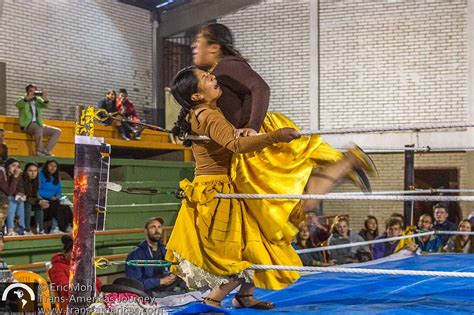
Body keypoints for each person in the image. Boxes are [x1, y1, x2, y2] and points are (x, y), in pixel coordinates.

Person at [191, 23, 377, 248]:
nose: (193, 46)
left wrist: (254, 126)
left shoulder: (226, 66)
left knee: (289, 206)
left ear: (214, 47)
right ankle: (346, 164)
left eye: (198, 41)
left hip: (260, 139)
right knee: (294, 206)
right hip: (252, 141)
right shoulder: (216, 73)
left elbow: (261, 88)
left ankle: (347, 162)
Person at [165, 66, 303, 309]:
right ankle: (213, 299)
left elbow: (229, 137)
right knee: (242, 253)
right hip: (220, 193)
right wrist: (276, 136)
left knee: (260, 242)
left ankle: (244, 296)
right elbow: (236, 144)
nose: (213, 77)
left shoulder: (200, 112)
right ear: (196, 95)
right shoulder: (208, 115)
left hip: (217, 188)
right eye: (206, 78)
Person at [125, 217, 187, 297]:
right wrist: (160, 281)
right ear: (146, 230)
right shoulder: (136, 254)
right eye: (153, 227)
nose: (157, 230)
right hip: (150, 294)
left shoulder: (165, 249)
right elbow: (135, 284)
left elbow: (172, 268)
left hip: (169, 290)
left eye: (159, 227)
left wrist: (173, 275)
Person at [49, 235, 102, 313]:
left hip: (91, 300)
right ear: (65, 252)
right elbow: (63, 286)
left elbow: (97, 283)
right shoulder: (57, 267)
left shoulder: (83, 265)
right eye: (74, 252)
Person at [15, 84, 61, 156]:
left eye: (34, 91)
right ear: (27, 92)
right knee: (38, 127)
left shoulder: (37, 100)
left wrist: (45, 99)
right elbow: (18, 104)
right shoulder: (22, 99)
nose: (33, 93)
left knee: (57, 131)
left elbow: (46, 105)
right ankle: (38, 151)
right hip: (27, 126)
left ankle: (46, 150)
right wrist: (26, 99)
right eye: (31, 91)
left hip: (38, 124)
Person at [38, 160, 73, 233]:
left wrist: (58, 197)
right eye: (51, 165)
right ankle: (57, 228)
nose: (53, 168)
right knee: (57, 206)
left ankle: (68, 226)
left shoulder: (56, 177)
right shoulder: (40, 175)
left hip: (54, 199)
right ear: (46, 166)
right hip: (43, 199)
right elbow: (38, 190)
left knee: (65, 206)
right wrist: (50, 196)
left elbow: (58, 192)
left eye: (55, 166)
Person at [22, 163, 49, 234]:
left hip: (31, 201)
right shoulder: (21, 180)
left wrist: (42, 201)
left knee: (39, 206)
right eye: (30, 171)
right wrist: (38, 201)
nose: (33, 173)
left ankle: (40, 229)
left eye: (35, 171)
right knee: (27, 204)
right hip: (21, 201)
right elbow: (24, 197)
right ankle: (27, 230)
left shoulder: (36, 181)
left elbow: (35, 195)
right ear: (26, 171)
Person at [0, 158, 25, 236]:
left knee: (20, 201)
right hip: (3, 197)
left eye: (18, 166)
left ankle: (20, 228)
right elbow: (9, 192)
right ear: (7, 166)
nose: (16, 169)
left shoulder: (13, 175)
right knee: (12, 199)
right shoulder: (1, 172)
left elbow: (16, 189)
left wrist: (19, 195)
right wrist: (15, 177)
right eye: (13, 166)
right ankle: (10, 229)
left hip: (4, 196)